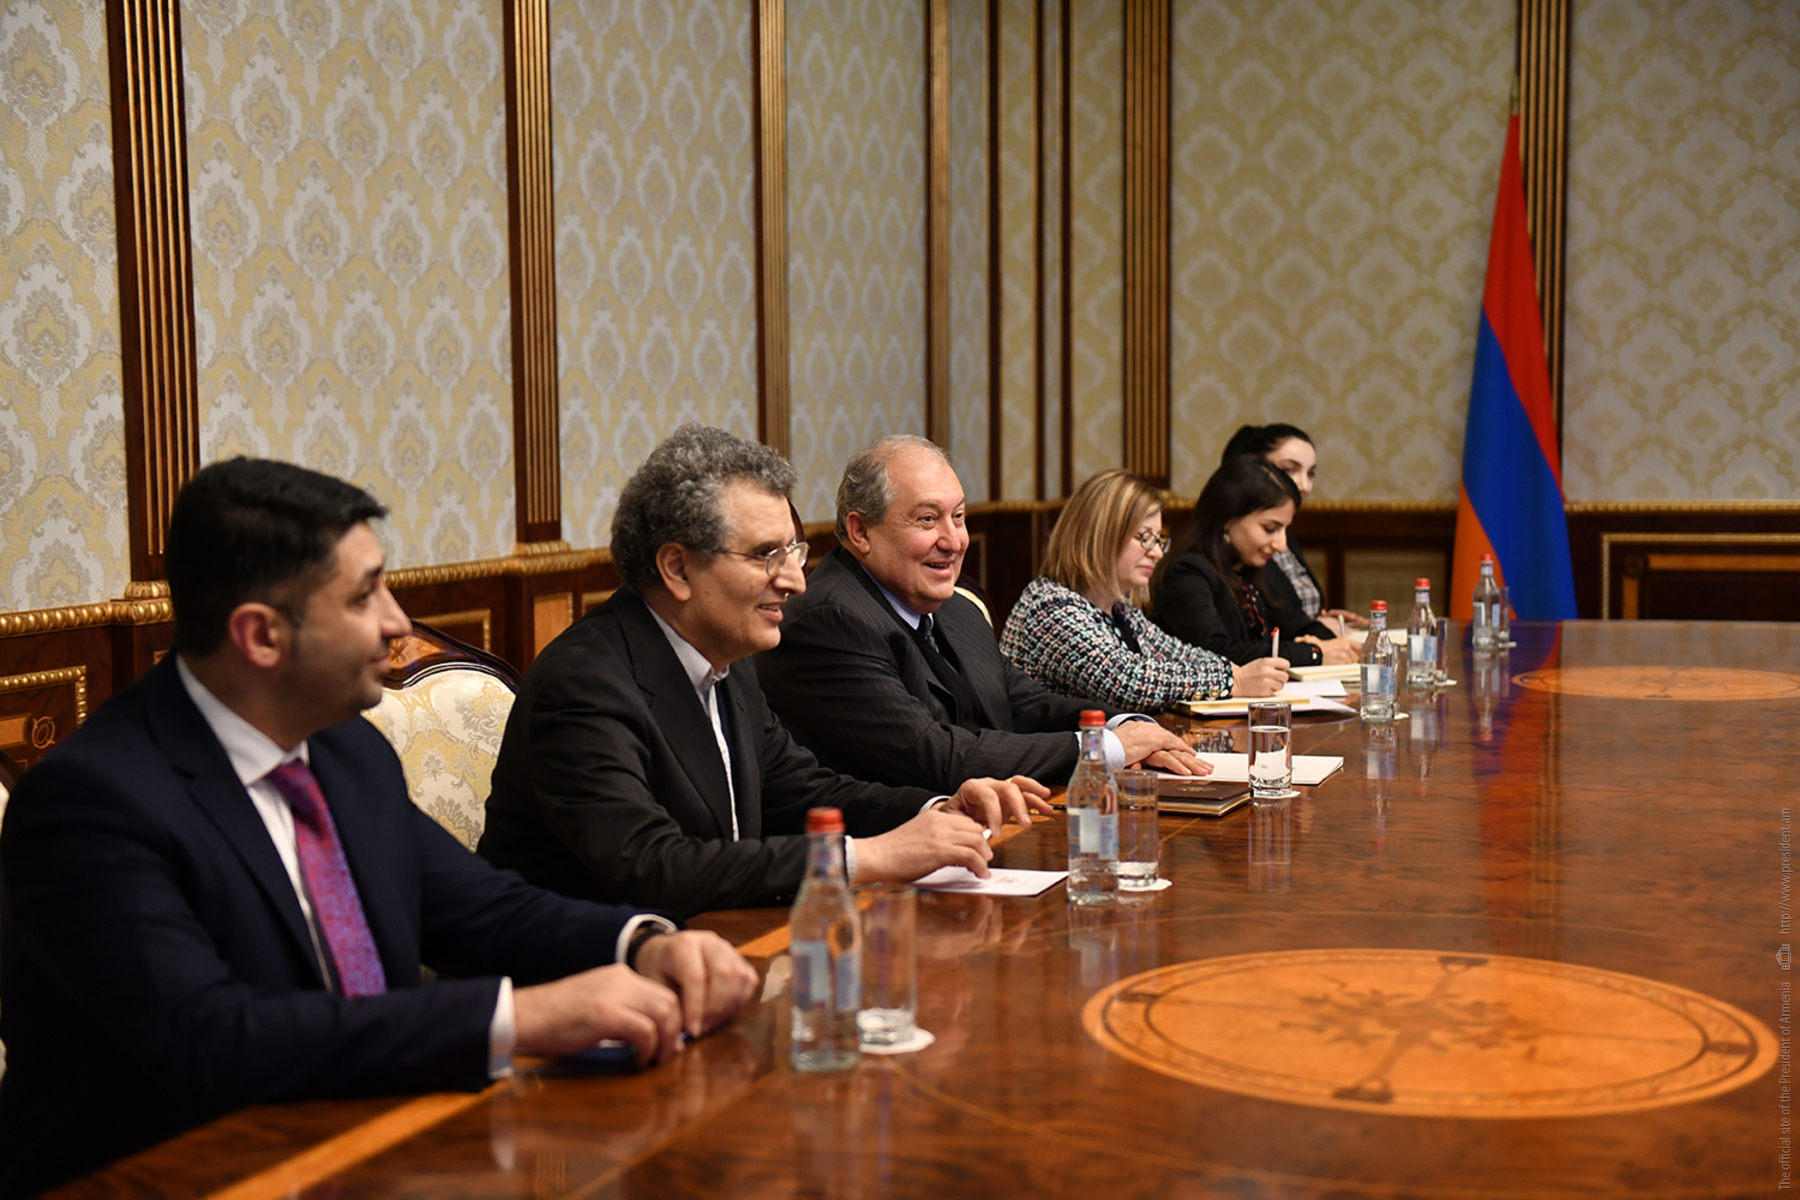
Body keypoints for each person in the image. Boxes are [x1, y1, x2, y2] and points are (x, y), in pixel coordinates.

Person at [0, 459, 760, 1199]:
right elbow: (212, 1040)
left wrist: (642, 943)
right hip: (185, 1172)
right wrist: (521, 1017)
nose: (399, 623)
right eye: (365, 596)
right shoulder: (92, 802)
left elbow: (480, 909)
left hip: (379, 1142)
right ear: (260, 636)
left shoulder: (343, 750)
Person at [479, 426, 1050, 919]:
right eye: (765, 556)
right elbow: (654, 866)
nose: (796, 581)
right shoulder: (584, 683)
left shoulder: (729, 665)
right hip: (586, 982)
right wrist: (870, 856)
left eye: (793, 553)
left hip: (721, 950)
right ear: (677, 568)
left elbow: (805, 792)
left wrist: (936, 811)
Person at [754, 436, 1206, 793]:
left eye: (959, 517)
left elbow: (1023, 702)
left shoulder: (952, 604)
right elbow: (936, 756)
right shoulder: (832, 619)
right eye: (928, 520)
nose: (954, 541)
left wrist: (1125, 727)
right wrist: (1103, 748)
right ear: (860, 531)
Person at [998, 470, 1287, 710]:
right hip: (1065, 760)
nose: (1157, 553)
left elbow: (1177, 654)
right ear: (1100, 535)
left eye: (1159, 540)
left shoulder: (1119, 608)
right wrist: (1233, 680)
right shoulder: (1049, 608)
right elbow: (1127, 681)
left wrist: (1238, 671)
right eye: (1144, 538)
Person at [1152, 454, 1356, 668]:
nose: (1281, 545)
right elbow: (1215, 654)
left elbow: (1297, 625)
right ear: (1228, 518)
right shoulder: (1187, 573)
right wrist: (1313, 653)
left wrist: (1330, 644)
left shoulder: (1252, 567)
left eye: (1285, 529)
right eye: (1270, 528)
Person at [1218, 423, 1365, 640]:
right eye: (1290, 470)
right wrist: (1316, 631)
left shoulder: (1287, 540)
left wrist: (1322, 622)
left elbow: (1290, 614)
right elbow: (1264, 626)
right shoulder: (1234, 547)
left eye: (1311, 473)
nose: (1305, 485)